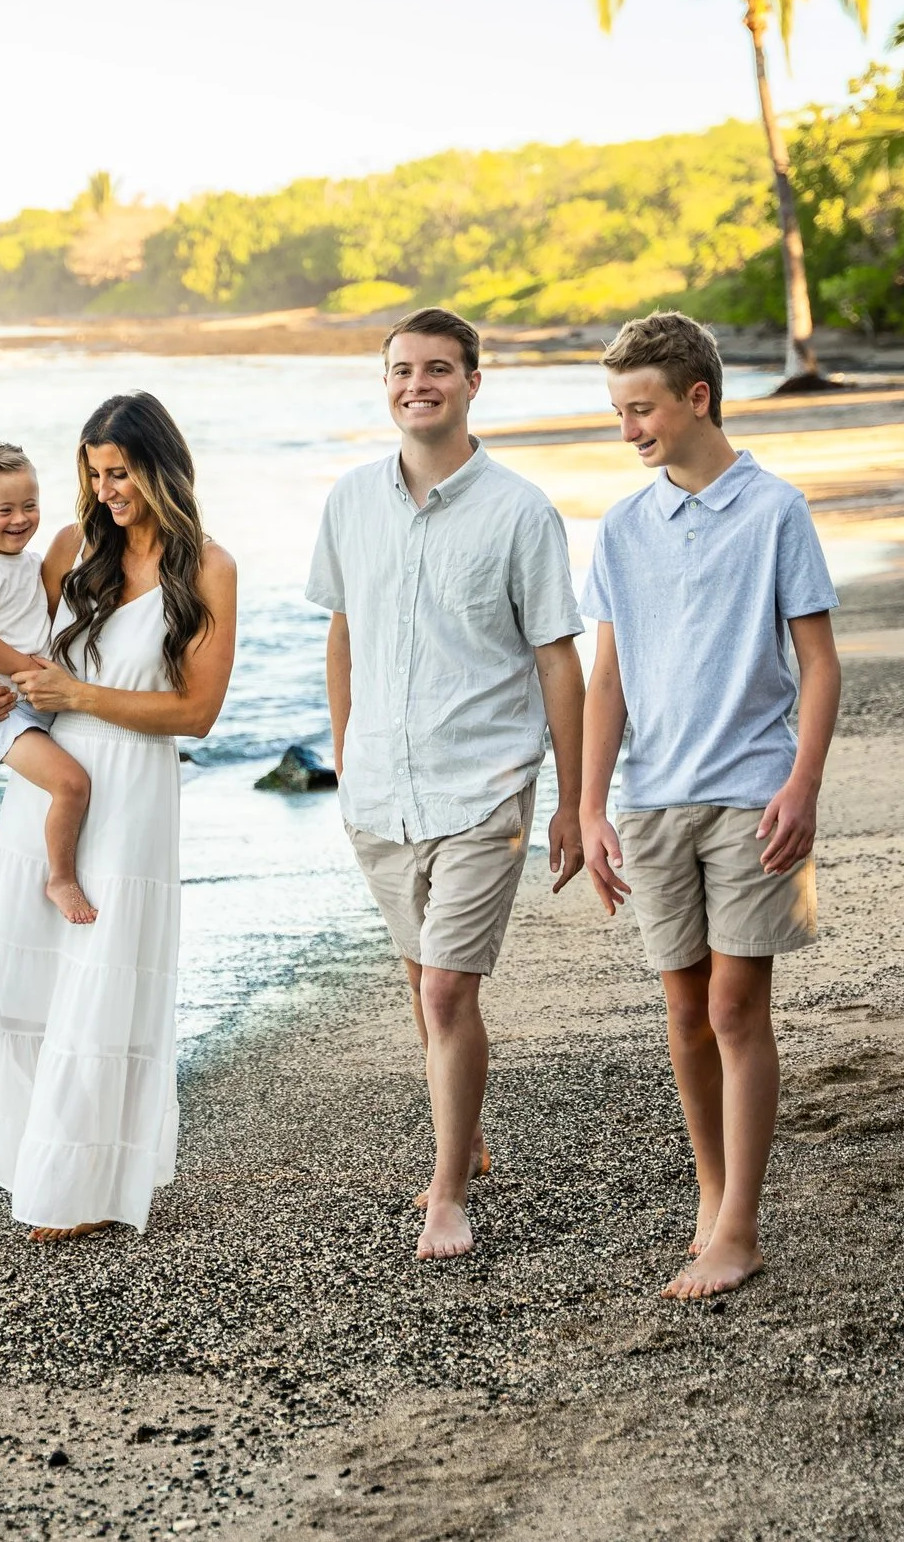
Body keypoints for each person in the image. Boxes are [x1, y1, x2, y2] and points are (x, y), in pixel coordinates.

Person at [306, 305, 587, 1263]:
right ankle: (463, 1130)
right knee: (421, 978)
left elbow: (558, 660)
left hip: (484, 787)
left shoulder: (521, 511)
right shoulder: (350, 500)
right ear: (384, 383)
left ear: (473, 381)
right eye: (401, 369)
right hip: (379, 794)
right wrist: (346, 753)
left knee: (444, 992)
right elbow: (343, 631)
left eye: (436, 368)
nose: (416, 384)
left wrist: (573, 800)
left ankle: (448, 1192)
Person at [578, 311, 842, 1300]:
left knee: (735, 1005)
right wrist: (591, 807)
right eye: (618, 412)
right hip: (652, 800)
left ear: (697, 398)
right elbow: (608, 680)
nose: (629, 430)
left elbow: (818, 663)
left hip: (752, 793)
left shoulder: (775, 511)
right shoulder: (621, 528)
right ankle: (711, 1190)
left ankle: (740, 1227)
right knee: (684, 1008)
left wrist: (803, 783)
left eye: (641, 409)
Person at [0, 392, 238, 1241]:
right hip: (50, 783)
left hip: (132, 787)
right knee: (18, 986)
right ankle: (36, 1161)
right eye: (95, 474)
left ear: (161, 467)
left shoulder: (209, 568)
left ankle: (82, 1185)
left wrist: (78, 694)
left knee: (101, 985)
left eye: (120, 472)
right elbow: (11, 654)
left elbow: (197, 713)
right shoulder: (69, 549)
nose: (107, 490)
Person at [0, 442, 96, 925]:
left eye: (30, 505)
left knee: (72, 784)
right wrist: (28, 669)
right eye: (4, 510)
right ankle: (61, 878)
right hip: (3, 708)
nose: (20, 519)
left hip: (36, 699)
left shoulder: (30, 564)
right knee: (71, 784)